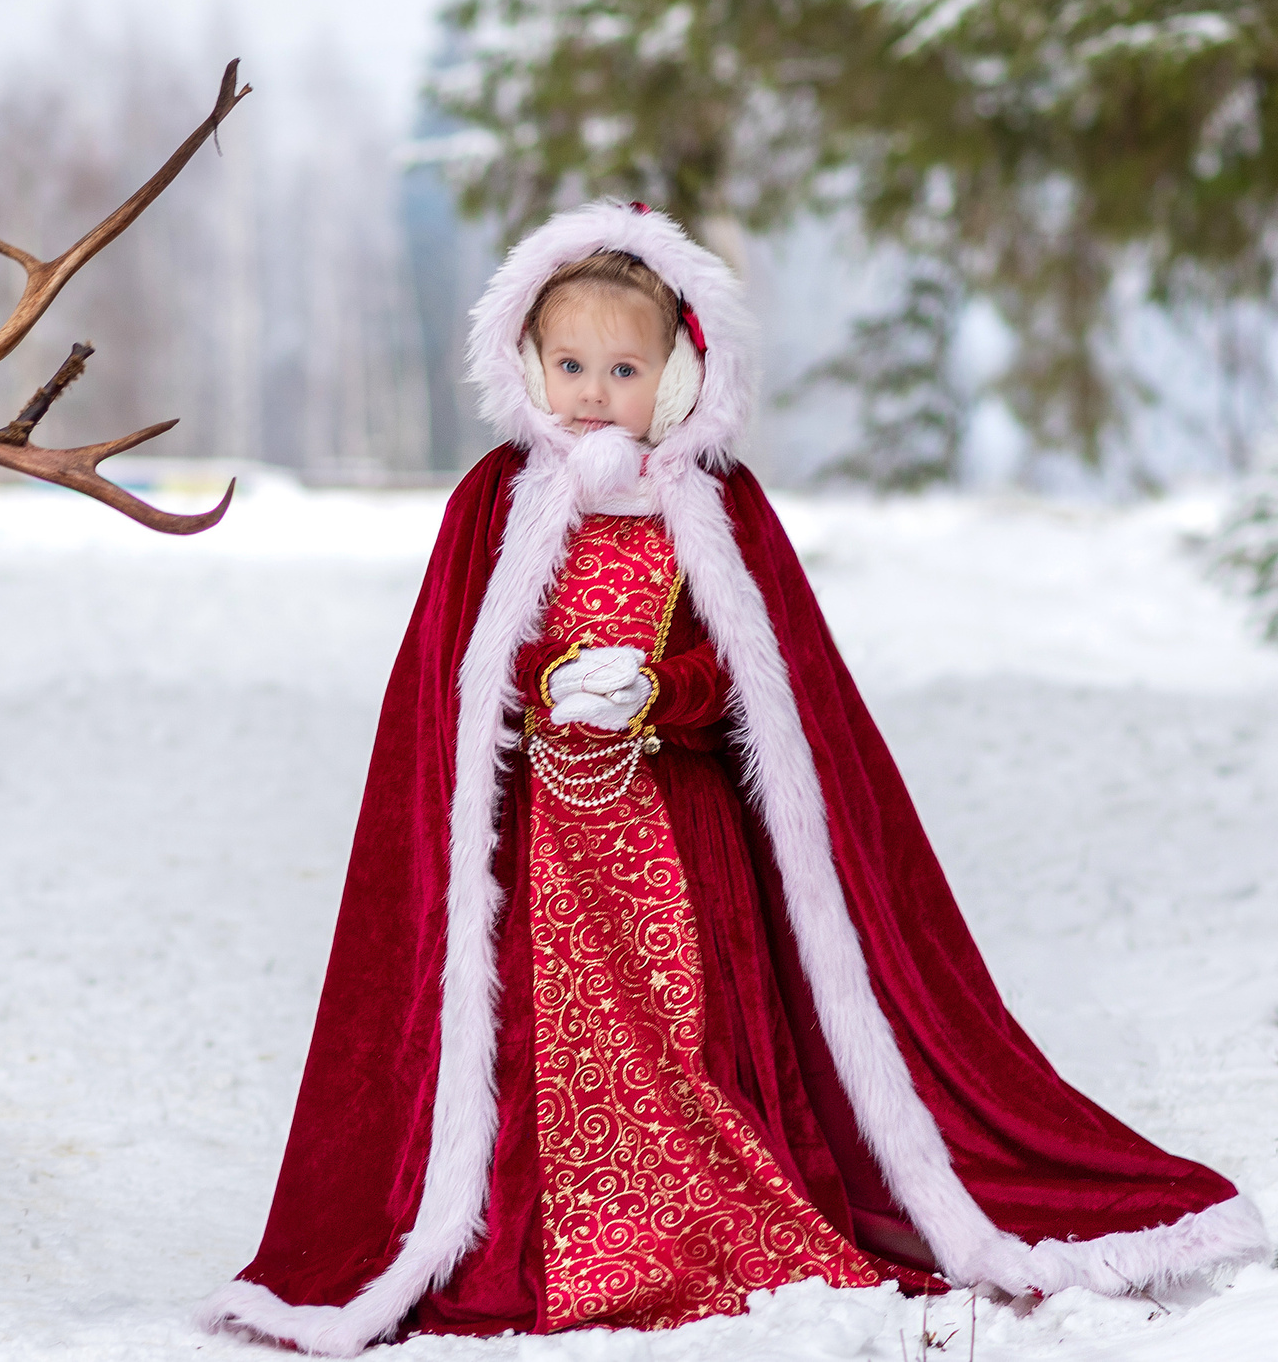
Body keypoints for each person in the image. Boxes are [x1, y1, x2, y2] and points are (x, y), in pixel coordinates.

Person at [204, 202, 1267, 1352]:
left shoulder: (713, 506)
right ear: (525, 361)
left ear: (676, 369)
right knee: (543, 1047)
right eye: (570, 365)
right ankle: (562, 1235)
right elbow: (449, 677)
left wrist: (662, 692)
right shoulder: (492, 503)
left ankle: (705, 1221)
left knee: (686, 1034)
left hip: (679, 841)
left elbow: (766, 686)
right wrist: (549, 673)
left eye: (622, 365)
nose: (592, 390)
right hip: (540, 851)